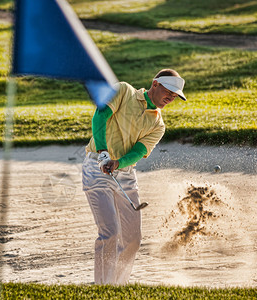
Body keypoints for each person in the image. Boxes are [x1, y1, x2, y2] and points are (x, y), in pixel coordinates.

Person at [82, 68, 187, 285]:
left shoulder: (158, 125)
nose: (171, 97)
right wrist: (103, 152)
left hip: (125, 174)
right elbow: (100, 116)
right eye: (169, 91)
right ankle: (103, 288)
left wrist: (118, 162)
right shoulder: (124, 91)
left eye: (175, 95)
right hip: (96, 167)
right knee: (109, 231)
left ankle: (118, 287)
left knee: (133, 240)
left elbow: (139, 152)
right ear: (155, 84)